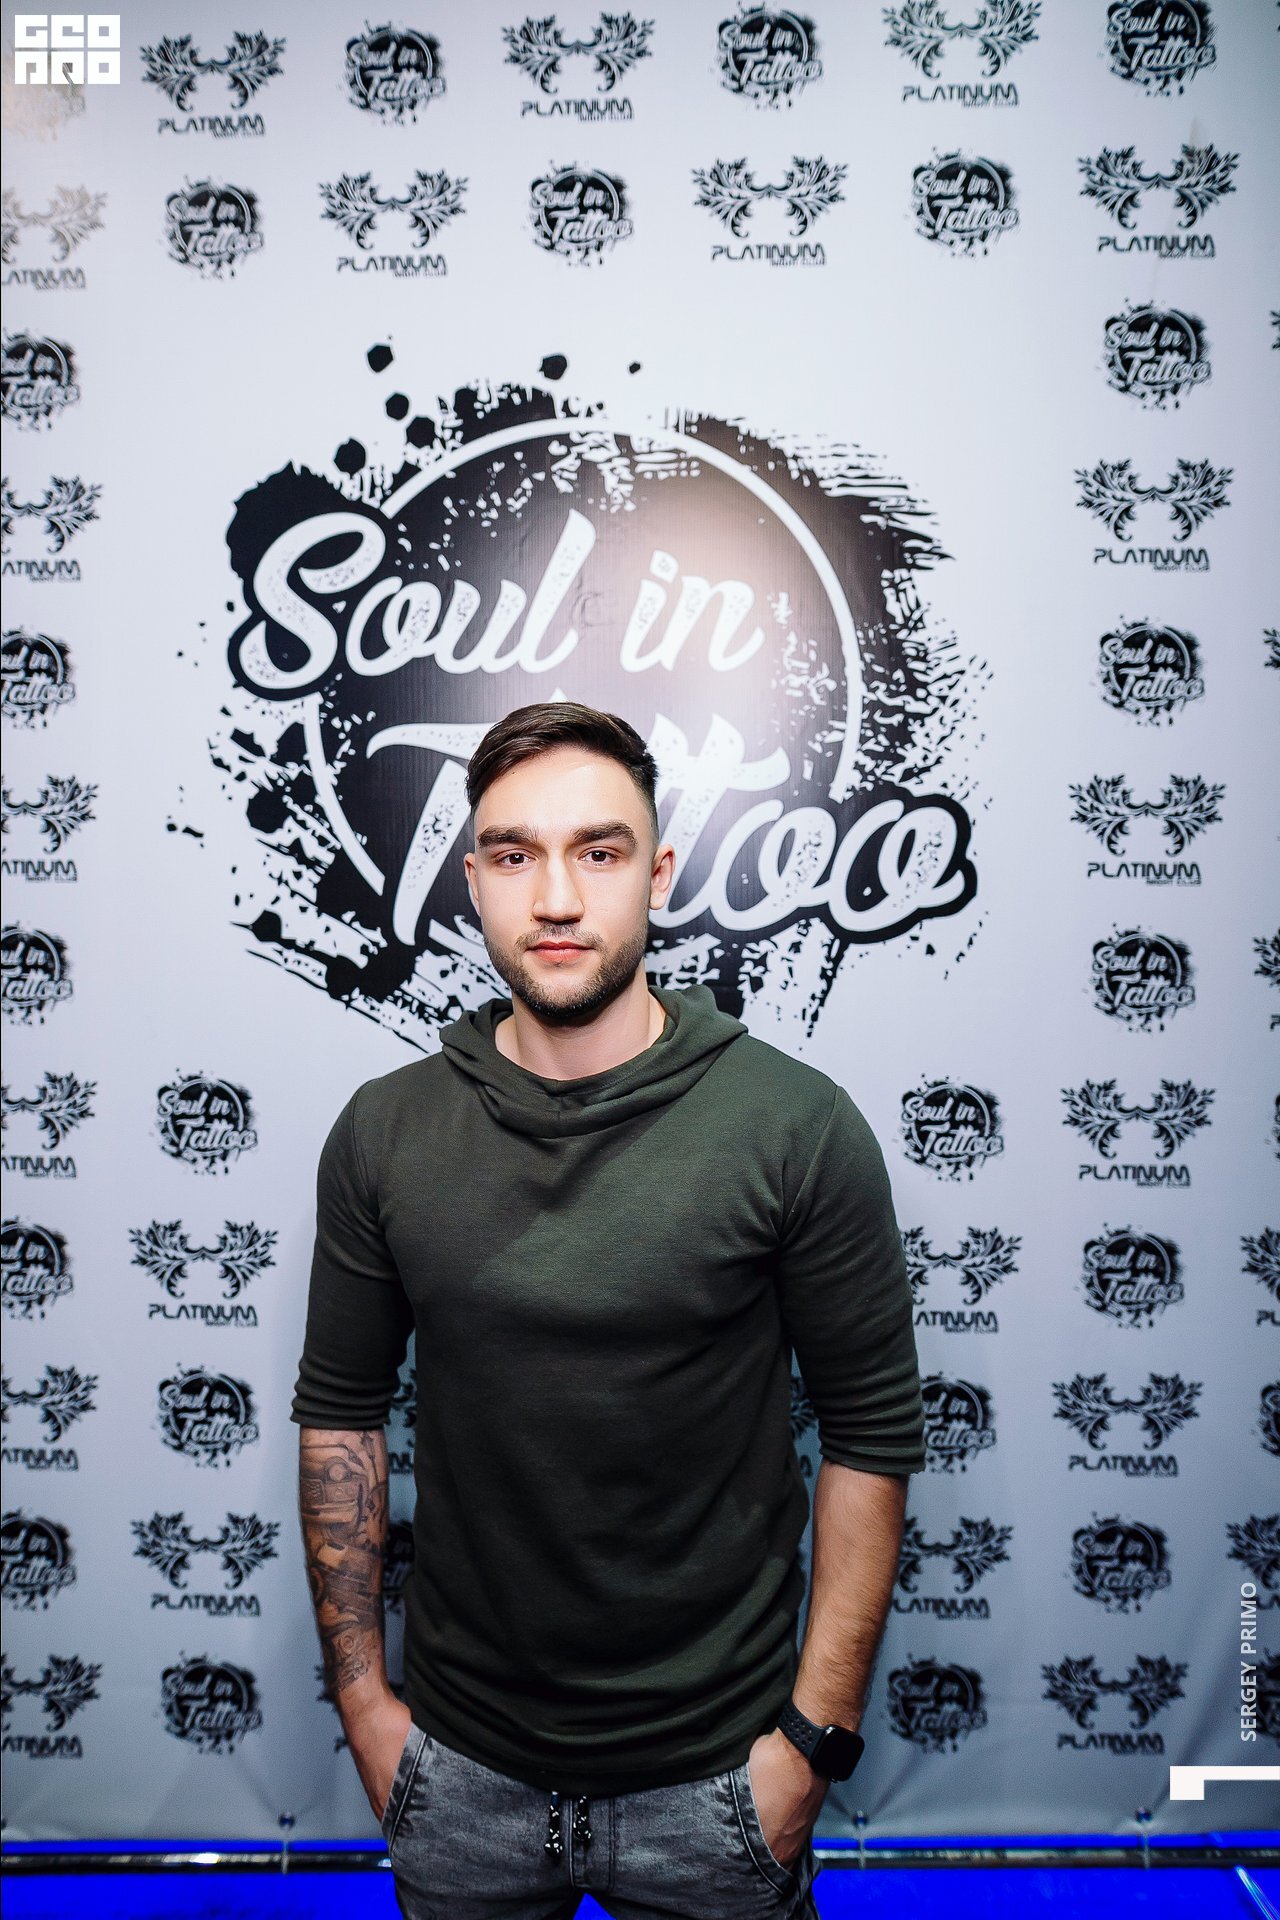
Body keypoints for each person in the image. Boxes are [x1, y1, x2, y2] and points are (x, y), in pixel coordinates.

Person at [293, 700, 925, 1919]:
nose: (555, 898)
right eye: (513, 855)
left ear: (658, 874)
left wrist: (810, 1745)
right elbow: (340, 1419)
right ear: (471, 881)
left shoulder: (793, 1127)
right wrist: (366, 1708)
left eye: (598, 851)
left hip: (721, 1776)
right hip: (458, 1772)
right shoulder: (385, 1130)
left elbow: (870, 1438)